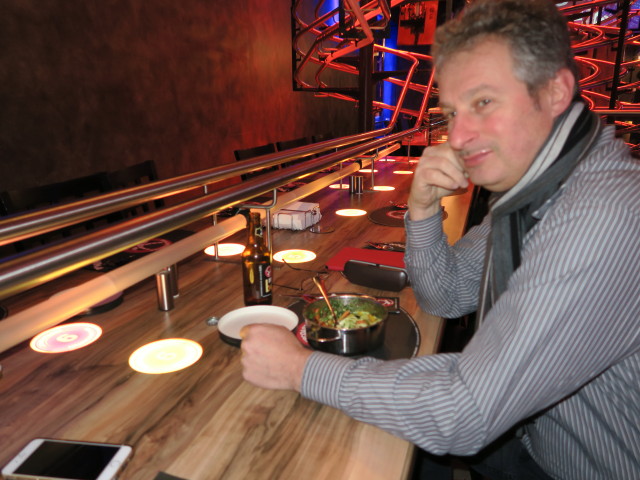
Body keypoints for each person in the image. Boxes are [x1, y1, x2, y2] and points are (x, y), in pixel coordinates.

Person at [240, 1, 640, 478]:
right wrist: (423, 208)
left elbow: (462, 415)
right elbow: (445, 296)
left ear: (555, 90)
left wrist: (298, 369)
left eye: (484, 102)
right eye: (451, 111)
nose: (459, 136)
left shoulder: (597, 215)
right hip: (534, 432)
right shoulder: (540, 186)